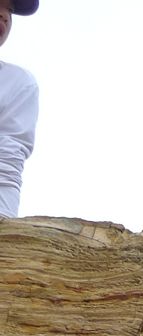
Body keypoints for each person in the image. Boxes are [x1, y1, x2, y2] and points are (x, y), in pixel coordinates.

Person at [0, 1, 38, 221]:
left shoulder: (17, 83)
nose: (4, 15)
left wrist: (4, 223)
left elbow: (7, 162)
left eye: (10, 10)